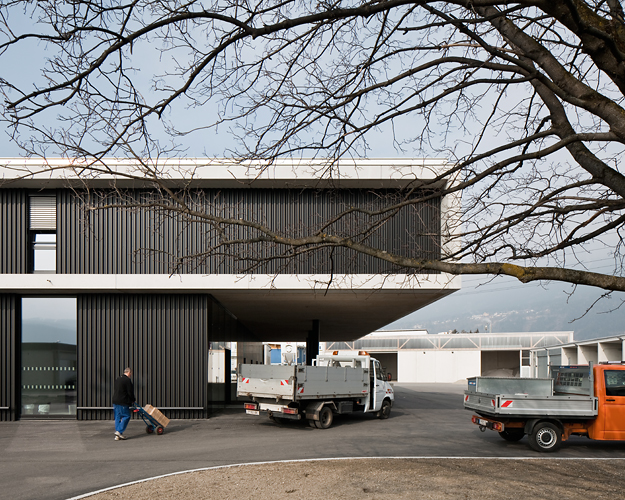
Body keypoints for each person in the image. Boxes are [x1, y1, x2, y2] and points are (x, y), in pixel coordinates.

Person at [112, 367, 136, 440]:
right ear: (129, 372)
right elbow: (130, 392)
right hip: (122, 401)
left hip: (115, 400)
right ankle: (119, 431)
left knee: (118, 417)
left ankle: (118, 435)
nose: (131, 375)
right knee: (126, 416)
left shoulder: (118, 379)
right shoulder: (127, 380)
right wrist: (133, 400)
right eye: (131, 373)